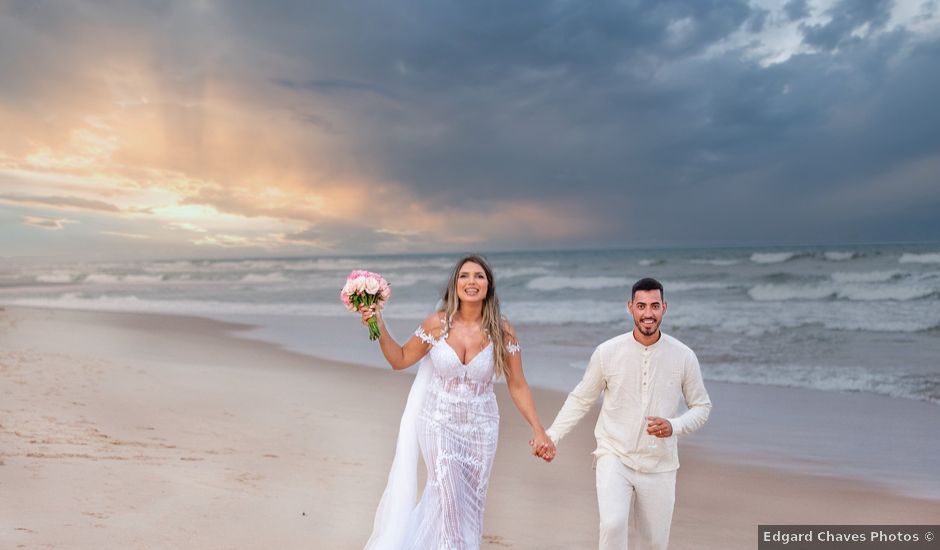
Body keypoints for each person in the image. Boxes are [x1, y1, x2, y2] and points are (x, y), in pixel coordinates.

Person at [360, 254, 555, 550]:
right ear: (455, 284)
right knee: (449, 498)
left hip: (482, 429)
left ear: (488, 285)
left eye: (479, 276)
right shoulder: (437, 324)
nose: (471, 281)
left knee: (470, 509)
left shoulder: (502, 331)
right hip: (438, 422)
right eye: (464, 275)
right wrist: (377, 322)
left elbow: (517, 384)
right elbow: (399, 359)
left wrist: (539, 429)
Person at [540, 277, 712, 550]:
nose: (648, 313)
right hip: (614, 455)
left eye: (654, 306)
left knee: (653, 543)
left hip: (660, 464)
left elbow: (702, 407)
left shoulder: (683, 356)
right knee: (612, 524)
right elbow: (581, 398)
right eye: (641, 306)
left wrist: (673, 425)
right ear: (630, 307)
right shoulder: (607, 353)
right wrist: (552, 435)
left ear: (664, 308)